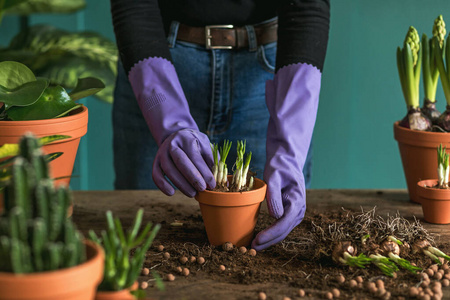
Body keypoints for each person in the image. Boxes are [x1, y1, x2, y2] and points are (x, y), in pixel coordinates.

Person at [110, 0, 330, 251]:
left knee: (272, 234)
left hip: (264, 70)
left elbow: (307, 6)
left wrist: (290, 145)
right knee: (141, 240)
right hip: (156, 61)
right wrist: (168, 121)